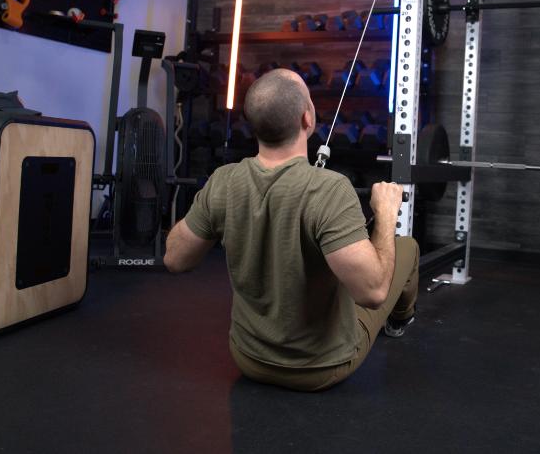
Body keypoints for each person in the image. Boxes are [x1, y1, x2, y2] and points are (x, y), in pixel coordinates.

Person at [164, 69, 419, 392]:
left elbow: (174, 258)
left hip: (248, 359)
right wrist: (385, 213)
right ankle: (400, 320)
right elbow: (373, 294)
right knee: (406, 247)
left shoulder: (224, 181)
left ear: (253, 123)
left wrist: (210, 210)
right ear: (307, 119)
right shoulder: (331, 189)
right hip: (322, 367)